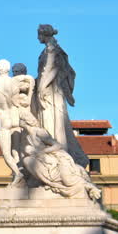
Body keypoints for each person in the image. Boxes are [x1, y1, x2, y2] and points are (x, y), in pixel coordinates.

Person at [34, 25, 87, 166]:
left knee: (55, 122)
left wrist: (42, 87)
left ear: (44, 34)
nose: (37, 37)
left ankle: (59, 153)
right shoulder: (48, 50)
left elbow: (53, 70)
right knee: (50, 122)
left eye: (39, 34)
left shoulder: (53, 50)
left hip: (52, 92)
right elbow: (44, 72)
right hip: (47, 90)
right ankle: (54, 151)